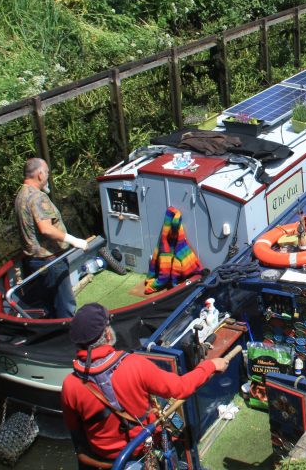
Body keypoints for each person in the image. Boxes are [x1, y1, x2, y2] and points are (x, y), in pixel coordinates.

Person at [61, 303, 229, 467]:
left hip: (103, 457)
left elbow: (74, 428)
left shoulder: (70, 385)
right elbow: (181, 388)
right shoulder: (134, 365)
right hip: (141, 449)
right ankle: (182, 452)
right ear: (108, 334)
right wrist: (210, 365)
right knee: (173, 415)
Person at [15, 157, 87, 318]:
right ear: (40, 174)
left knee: (49, 304)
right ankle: (67, 337)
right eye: (47, 172)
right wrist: (74, 240)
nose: (48, 176)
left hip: (34, 261)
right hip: (50, 262)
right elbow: (45, 228)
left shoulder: (21, 195)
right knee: (64, 304)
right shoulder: (37, 197)